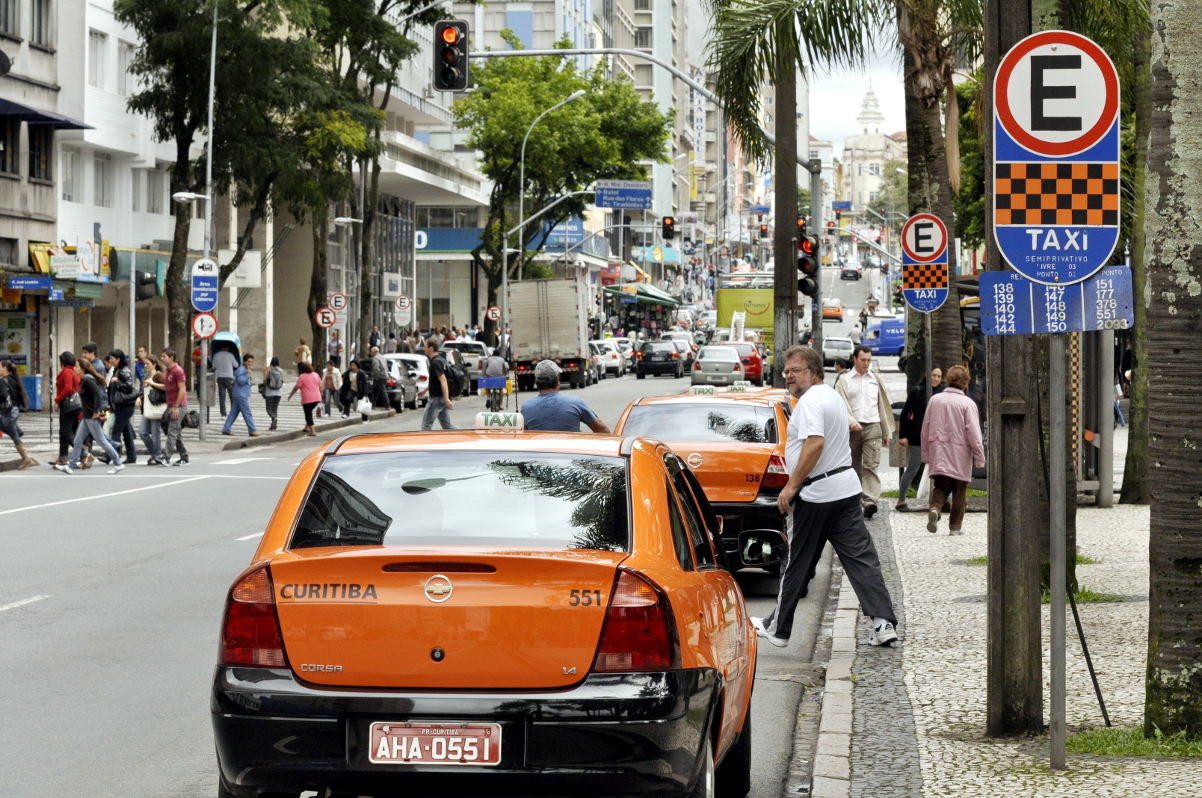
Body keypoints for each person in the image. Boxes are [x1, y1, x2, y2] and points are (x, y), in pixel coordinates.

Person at [753, 346, 899, 648]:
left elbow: (815, 443)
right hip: (845, 489)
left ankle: (778, 629)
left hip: (816, 493)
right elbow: (847, 434)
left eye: (796, 370)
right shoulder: (833, 396)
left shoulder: (809, 402)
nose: (789, 376)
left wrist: (792, 485)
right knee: (861, 558)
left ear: (814, 371)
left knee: (797, 561)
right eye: (786, 371)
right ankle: (883, 622)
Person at [921, 365, 985, 535]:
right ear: (966, 382)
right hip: (960, 454)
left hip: (939, 452)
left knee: (940, 486)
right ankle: (955, 527)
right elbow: (973, 432)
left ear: (947, 379)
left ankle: (935, 508)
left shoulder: (935, 400)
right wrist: (979, 456)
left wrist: (926, 453)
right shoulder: (967, 403)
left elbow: (925, 428)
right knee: (959, 490)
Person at [835, 345, 894, 518]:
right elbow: (840, 404)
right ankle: (853, 500)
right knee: (852, 467)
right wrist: (851, 421)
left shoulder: (875, 379)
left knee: (871, 465)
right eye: (863, 360)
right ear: (854, 359)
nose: (866, 363)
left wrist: (886, 432)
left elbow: (883, 406)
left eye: (869, 360)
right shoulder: (844, 380)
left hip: (873, 427)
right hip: (851, 429)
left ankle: (869, 502)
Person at [56, 358, 125, 475]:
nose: (74, 368)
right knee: (78, 440)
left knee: (102, 441)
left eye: (77, 366)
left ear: (82, 369)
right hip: (87, 416)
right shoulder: (85, 379)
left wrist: (97, 411)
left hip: (91, 416)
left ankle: (118, 463)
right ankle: (71, 467)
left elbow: (98, 395)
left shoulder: (88, 379)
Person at [895, 367, 943, 512]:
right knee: (912, 469)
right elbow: (905, 413)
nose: (935, 378)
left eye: (939, 376)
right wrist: (902, 435)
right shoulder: (917, 391)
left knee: (940, 471)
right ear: (926, 375)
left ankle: (941, 502)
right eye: (933, 375)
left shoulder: (943, 392)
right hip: (917, 436)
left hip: (937, 437)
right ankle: (901, 500)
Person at [519, 360, 611, 433]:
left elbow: (524, 436)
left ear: (537, 381)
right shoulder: (576, 402)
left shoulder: (526, 407)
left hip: (540, 455)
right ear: (558, 379)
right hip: (570, 455)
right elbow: (600, 428)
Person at [104, 349, 140, 464]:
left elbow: (129, 387)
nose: (110, 361)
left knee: (116, 431)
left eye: (112, 359)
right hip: (119, 406)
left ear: (118, 359)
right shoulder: (116, 370)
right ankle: (131, 455)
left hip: (126, 406)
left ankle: (111, 455)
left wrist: (117, 381)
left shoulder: (124, 371)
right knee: (127, 432)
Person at [0, 359, 36, 469]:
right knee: (11, 431)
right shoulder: (13, 379)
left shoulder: (2, 381)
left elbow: (4, 396)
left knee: (14, 435)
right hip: (14, 409)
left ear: (5, 368)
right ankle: (17, 431)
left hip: (8, 411)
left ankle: (26, 458)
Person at [159, 348, 190, 467]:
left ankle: (166, 457)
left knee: (172, 431)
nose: (162, 358)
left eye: (164, 356)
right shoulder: (167, 371)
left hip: (179, 405)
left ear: (171, 358)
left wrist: (176, 406)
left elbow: (182, 389)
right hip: (170, 404)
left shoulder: (178, 371)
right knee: (176, 431)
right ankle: (185, 457)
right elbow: (167, 387)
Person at [421, 337, 458, 430]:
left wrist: (446, 399)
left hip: (437, 398)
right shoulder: (441, 360)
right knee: (447, 425)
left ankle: (426, 444)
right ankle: (464, 437)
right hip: (442, 398)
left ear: (431, 348)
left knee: (426, 425)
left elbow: (443, 380)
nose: (423, 348)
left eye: (425, 346)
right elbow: (436, 381)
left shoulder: (435, 362)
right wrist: (425, 390)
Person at [52, 351, 81, 467]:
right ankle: (63, 457)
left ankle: (84, 454)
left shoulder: (67, 372)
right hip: (74, 405)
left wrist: (57, 400)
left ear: (62, 362)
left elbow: (68, 389)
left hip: (68, 405)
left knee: (65, 432)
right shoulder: (74, 372)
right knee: (66, 431)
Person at [222, 354, 260, 437]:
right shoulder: (241, 370)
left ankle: (226, 428)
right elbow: (240, 381)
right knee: (247, 413)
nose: (250, 363)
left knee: (233, 413)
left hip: (240, 394)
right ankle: (252, 430)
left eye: (251, 362)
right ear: (244, 362)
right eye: (249, 362)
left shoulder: (245, 369)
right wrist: (248, 375)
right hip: (241, 395)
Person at [138, 361, 167, 465]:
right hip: (148, 408)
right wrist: (139, 398)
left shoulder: (159, 375)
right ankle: (155, 453)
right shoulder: (146, 378)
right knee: (142, 432)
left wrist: (152, 383)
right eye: (145, 364)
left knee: (155, 433)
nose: (145, 366)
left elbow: (166, 387)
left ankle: (156, 455)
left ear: (154, 364)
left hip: (156, 407)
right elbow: (147, 393)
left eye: (147, 364)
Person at [288, 362, 322, 436]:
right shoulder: (316, 374)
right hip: (316, 398)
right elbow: (320, 385)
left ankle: (313, 431)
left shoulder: (302, 376)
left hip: (307, 399)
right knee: (309, 412)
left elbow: (297, 387)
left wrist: (291, 395)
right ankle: (307, 427)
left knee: (308, 414)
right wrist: (321, 395)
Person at [212, 343, 238, 418]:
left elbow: (214, 366)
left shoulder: (216, 355)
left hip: (220, 377)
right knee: (232, 396)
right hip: (229, 377)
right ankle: (233, 413)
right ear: (226, 347)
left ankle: (223, 414)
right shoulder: (230, 355)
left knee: (222, 396)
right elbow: (236, 365)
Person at [262, 357, 284, 431]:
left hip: (270, 391)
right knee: (275, 408)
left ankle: (274, 418)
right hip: (279, 392)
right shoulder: (281, 370)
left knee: (268, 409)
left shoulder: (267, 369)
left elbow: (264, 380)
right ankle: (273, 426)